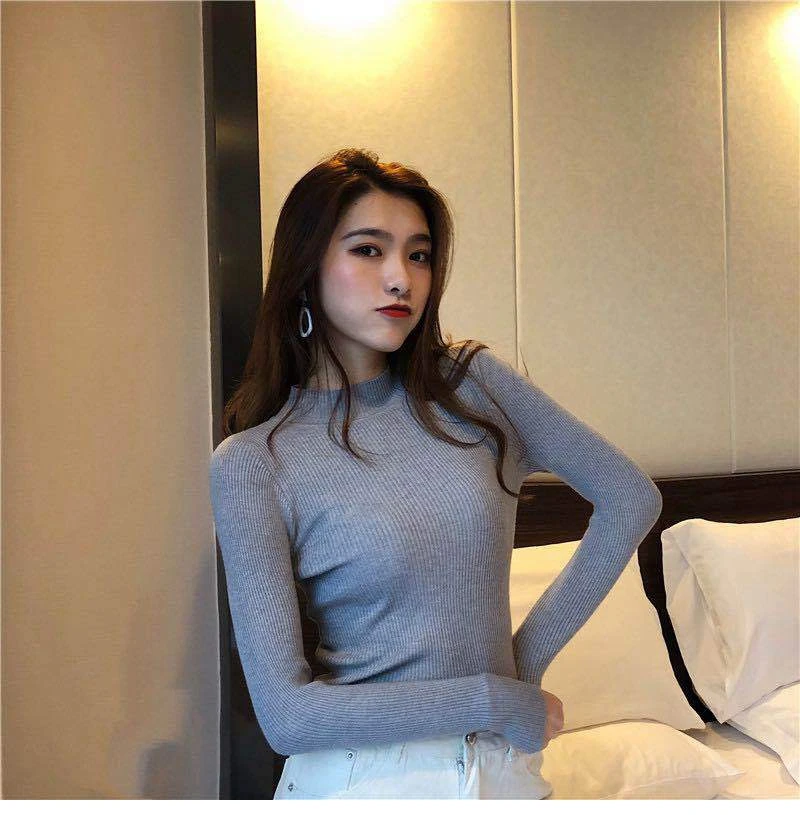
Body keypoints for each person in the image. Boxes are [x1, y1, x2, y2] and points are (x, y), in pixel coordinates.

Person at [208, 147, 663, 799]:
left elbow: (630, 497)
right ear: (306, 270)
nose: (402, 278)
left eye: (418, 255)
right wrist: (491, 697)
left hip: (500, 770)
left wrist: (523, 665)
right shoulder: (254, 462)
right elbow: (288, 718)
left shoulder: (472, 387)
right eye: (369, 250)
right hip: (360, 778)